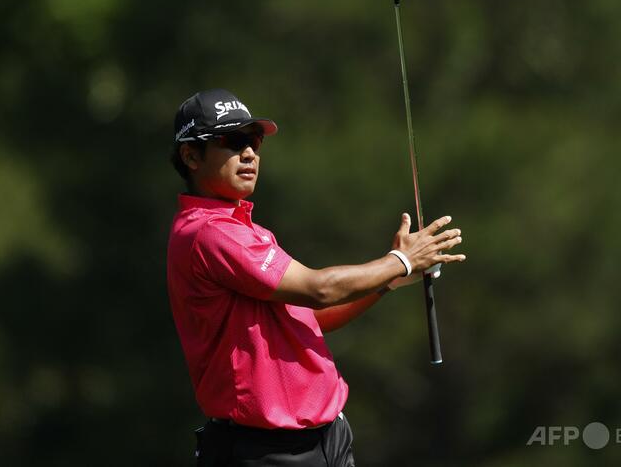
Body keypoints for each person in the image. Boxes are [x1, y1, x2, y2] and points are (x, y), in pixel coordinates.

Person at [166, 89, 466, 466]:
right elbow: (319, 289)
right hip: (265, 451)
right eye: (232, 142)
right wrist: (400, 261)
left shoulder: (246, 230)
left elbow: (310, 317)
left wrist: (388, 280)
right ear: (191, 156)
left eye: (254, 141)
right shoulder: (210, 233)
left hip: (327, 439)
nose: (250, 153)